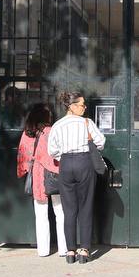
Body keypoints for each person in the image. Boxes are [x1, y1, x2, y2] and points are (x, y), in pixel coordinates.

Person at [47, 90, 104, 264]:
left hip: (65, 164)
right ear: (71, 107)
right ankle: (84, 250)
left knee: (69, 210)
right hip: (84, 162)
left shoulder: (58, 125)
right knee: (85, 207)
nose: (84, 108)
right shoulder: (86, 123)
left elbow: (52, 150)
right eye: (81, 105)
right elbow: (101, 142)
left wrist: (63, 158)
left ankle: (70, 251)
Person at [16, 102, 66, 258]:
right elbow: (59, 153)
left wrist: (24, 170)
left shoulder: (27, 133)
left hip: (37, 175)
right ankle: (64, 249)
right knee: (60, 213)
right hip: (55, 174)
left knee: (41, 214)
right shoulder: (52, 131)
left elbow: (22, 156)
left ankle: (43, 250)